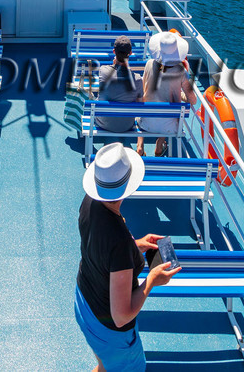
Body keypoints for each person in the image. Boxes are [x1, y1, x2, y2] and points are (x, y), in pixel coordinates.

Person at [76, 143, 180, 372]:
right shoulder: (119, 243)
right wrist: (151, 280)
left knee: (104, 366)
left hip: (84, 304)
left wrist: (137, 246)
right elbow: (121, 316)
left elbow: (101, 248)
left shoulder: (89, 202)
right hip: (110, 331)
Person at [140, 31, 197, 158]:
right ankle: (159, 145)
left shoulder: (149, 64)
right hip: (168, 126)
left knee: (147, 102)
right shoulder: (181, 71)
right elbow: (192, 100)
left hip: (146, 122)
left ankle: (140, 146)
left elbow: (144, 89)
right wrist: (180, 95)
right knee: (167, 111)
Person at [94, 36, 144, 147]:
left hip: (103, 123)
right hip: (126, 125)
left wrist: (115, 64)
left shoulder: (103, 71)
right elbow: (140, 104)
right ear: (130, 53)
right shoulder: (137, 79)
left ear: (114, 52)